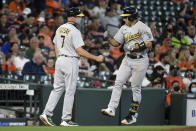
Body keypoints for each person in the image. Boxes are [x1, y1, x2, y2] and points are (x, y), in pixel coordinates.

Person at [39, 7, 104, 126]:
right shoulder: (74, 31)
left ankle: (46, 113)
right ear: (73, 17)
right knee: (70, 91)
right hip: (70, 61)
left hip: (60, 60)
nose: (80, 19)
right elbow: (79, 50)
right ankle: (65, 119)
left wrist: (59, 57)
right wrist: (96, 58)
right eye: (79, 17)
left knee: (57, 89)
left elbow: (55, 44)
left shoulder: (60, 28)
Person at [101, 6, 153, 125]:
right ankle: (111, 108)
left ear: (132, 17)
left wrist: (135, 46)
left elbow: (149, 43)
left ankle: (133, 115)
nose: (124, 19)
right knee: (118, 82)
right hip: (128, 58)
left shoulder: (143, 27)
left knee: (135, 87)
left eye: (125, 17)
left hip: (140, 60)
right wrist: (108, 37)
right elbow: (116, 43)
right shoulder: (124, 28)